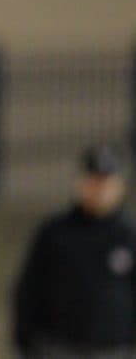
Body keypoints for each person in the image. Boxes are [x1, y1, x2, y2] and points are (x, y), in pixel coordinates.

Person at [12, 145, 136, 359]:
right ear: (81, 183)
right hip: (59, 348)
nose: (100, 190)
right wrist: (27, 343)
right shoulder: (55, 233)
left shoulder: (128, 236)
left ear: (119, 187)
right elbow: (29, 289)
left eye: (106, 183)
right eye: (94, 181)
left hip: (113, 351)